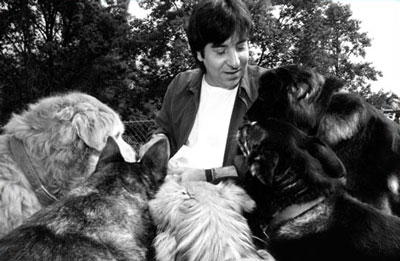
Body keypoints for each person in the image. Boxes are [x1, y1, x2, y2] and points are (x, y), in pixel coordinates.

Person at [145, 0, 267, 182]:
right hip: (174, 188)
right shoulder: (181, 84)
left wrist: (206, 175)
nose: (235, 62)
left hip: (230, 198)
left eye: (241, 47)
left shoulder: (267, 88)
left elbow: (272, 162)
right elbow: (164, 130)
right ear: (200, 54)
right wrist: (156, 141)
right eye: (220, 51)